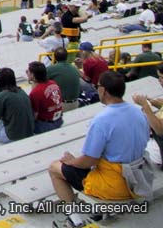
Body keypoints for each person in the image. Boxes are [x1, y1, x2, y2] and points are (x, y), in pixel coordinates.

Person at [48, 71, 150, 228]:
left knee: (55, 168)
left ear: (104, 91)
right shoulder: (139, 112)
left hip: (116, 185)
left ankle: (74, 219)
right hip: (140, 178)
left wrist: (72, 161)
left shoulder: (102, 120)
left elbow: (89, 160)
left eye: (98, 86)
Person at [27, 62, 64, 134]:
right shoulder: (53, 83)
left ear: (33, 75)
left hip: (45, 125)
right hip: (59, 120)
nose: (26, 72)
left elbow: (35, 115)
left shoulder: (35, 93)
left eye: (28, 71)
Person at [47, 48, 81, 113]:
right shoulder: (73, 68)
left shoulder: (51, 69)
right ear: (67, 56)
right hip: (75, 103)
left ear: (55, 57)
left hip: (62, 105)